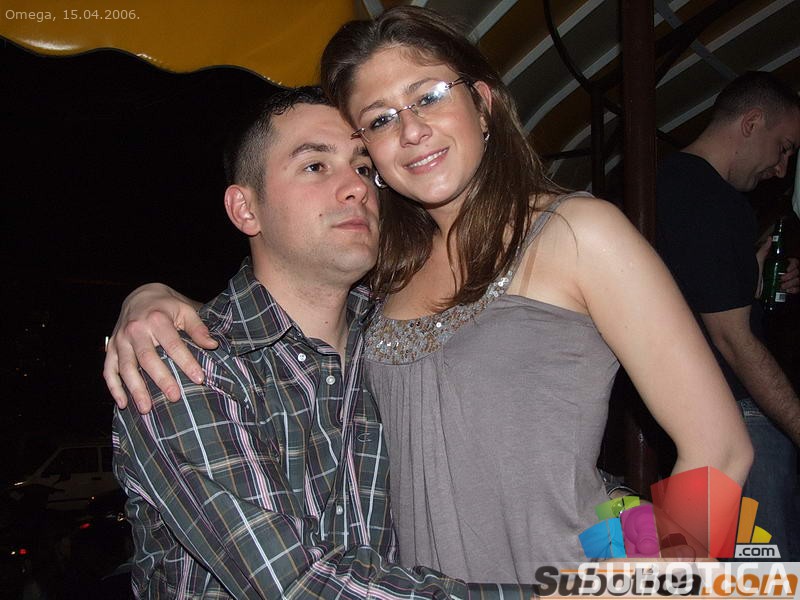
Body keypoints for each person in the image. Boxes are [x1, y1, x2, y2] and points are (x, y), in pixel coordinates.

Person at [106, 7, 753, 582]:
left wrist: (642, 581)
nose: (411, 130)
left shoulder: (577, 232)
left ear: (484, 103)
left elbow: (721, 449)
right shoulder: (385, 276)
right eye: (381, 119)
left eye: (429, 96)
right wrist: (153, 297)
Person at [112, 86, 533, 598]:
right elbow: (299, 584)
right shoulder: (187, 365)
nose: (356, 187)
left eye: (364, 167)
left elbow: (534, 460)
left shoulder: (401, 343)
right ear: (246, 209)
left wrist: (626, 557)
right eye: (315, 166)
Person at [655, 71, 800, 560]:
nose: (781, 168)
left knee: (694, 575)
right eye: (783, 148)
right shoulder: (710, 198)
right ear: (752, 122)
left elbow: (696, 306)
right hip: (739, 425)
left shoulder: (667, 184)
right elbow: (733, 340)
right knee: (766, 582)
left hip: (694, 427)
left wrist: (752, 281)